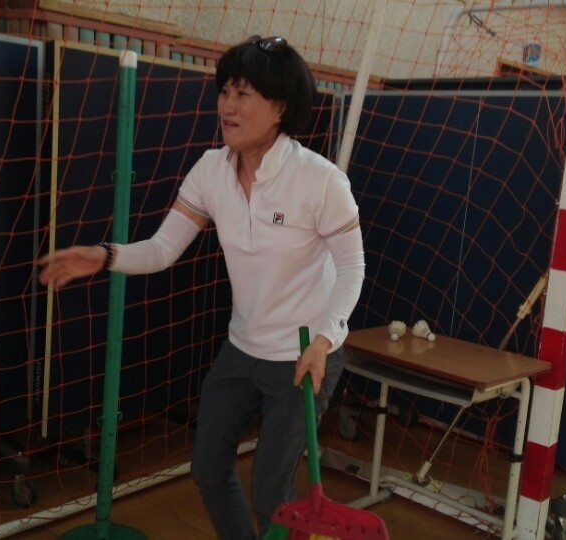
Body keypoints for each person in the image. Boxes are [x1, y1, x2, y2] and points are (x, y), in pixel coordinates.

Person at [37, 35, 365, 540]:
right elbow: (163, 249)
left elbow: (352, 268)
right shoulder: (211, 170)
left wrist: (323, 341)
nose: (227, 106)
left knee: (270, 495)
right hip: (242, 347)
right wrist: (105, 256)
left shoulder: (320, 181)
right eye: (225, 91)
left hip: (304, 356)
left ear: (279, 108)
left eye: (243, 94)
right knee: (208, 469)